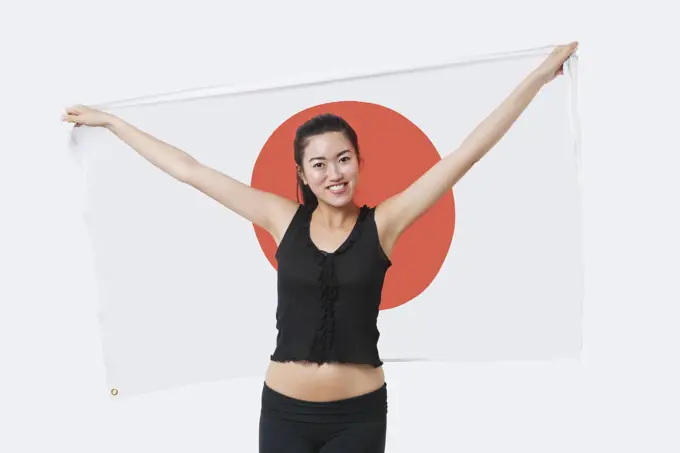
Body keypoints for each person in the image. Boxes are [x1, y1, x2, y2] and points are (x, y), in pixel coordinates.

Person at [62, 42, 578, 453]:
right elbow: (190, 170)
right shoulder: (279, 217)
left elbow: (466, 154)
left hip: (357, 418)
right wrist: (113, 122)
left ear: (358, 161)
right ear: (303, 176)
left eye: (344, 158)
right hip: (284, 414)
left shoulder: (386, 222)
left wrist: (537, 75)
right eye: (319, 164)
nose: (334, 173)